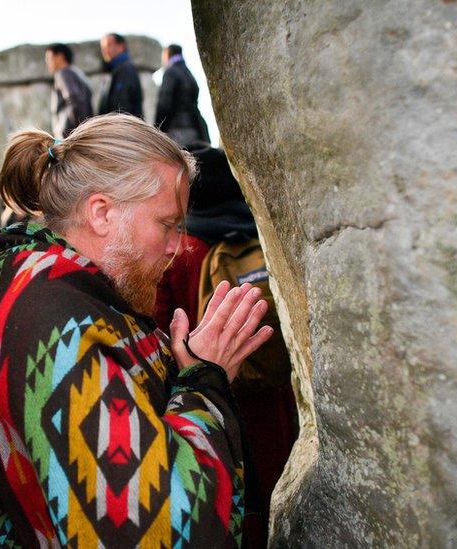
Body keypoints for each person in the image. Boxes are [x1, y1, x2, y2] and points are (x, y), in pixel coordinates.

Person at [0, 114, 274, 547]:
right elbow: (156, 530)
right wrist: (204, 384)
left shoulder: (65, 296)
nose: (177, 244)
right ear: (102, 213)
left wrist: (188, 364)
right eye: (166, 224)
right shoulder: (58, 325)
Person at [154, 144, 298, 548]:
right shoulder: (260, 236)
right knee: (275, 478)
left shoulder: (180, 251)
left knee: (233, 492)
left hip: (213, 395)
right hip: (271, 390)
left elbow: (161, 327)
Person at [154, 44, 210, 147]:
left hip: (176, 132)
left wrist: (157, 130)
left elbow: (164, 104)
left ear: (168, 54)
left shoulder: (170, 72)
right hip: (195, 131)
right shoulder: (189, 74)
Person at [45, 43, 93, 139]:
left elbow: (74, 100)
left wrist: (73, 134)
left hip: (69, 136)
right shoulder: (75, 72)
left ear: (60, 56)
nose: (47, 62)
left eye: (49, 58)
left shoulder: (63, 74)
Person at [97, 33, 143, 118]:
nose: (104, 50)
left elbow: (122, 104)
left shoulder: (126, 69)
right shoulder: (114, 70)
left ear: (121, 46)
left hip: (122, 127)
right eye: (102, 47)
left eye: (108, 45)